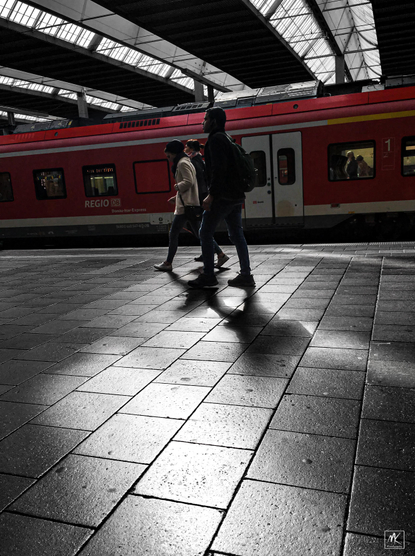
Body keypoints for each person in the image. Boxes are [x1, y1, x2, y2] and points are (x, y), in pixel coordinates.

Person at [188, 107, 255, 288]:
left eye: (205, 119)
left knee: (205, 232)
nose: (203, 122)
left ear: (214, 121)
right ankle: (246, 275)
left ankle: (209, 275)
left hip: (223, 196)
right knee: (236, 234)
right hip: (235, 195)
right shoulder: (227, 138)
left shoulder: (215, 140)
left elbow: (219, 170)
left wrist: (211, 195)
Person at [154, 139, 200, 272]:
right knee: (200, 233)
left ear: (173, 153)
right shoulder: (186, 161)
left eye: (168, 156)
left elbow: (188, 182)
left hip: (186, 206)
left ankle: (168, 263)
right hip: (188, 203)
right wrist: (177, 197)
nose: (168, 159)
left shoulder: (181, 163)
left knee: (173, 233)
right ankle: (220, 254)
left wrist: (176, 187)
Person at [185, 138, 229, 268]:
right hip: (202, 198)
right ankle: (206, 254)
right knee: (201, 229)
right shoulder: (201, 161)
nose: (185, 150)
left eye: (186, 147)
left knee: (200, 231)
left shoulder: (192, 162)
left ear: (191, 149)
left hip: (197, 200)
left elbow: (197, 184)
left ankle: (220, 254)